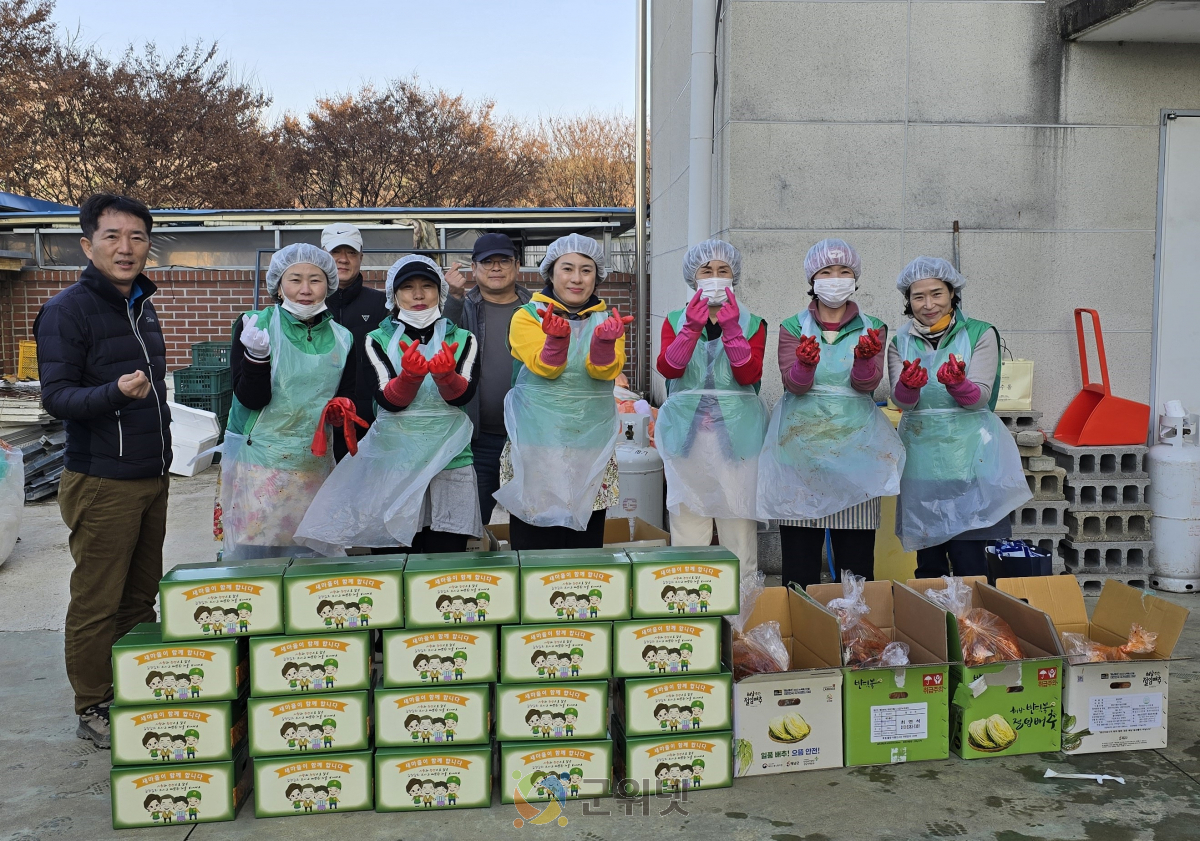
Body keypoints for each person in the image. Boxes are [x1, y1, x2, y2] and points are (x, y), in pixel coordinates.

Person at [34, 192, 171, 749]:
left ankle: (132, 687)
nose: (125, 247)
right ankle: (92, 702)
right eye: (113, 237)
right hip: (102, 480)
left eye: (137, 237)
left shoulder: (141, 304)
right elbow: (57, 398)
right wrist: (114, 393)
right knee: (98, 599)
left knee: (140, 597)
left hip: (150, 475)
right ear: (88, 245)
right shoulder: (68, 310)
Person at [295, 255, 483, 554]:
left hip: (450, 460)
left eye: (427, 286)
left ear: (440, 292)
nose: (418, 295)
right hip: (392, 461)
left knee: (445, 556)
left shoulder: (462, 338)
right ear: (393, 295)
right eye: (407, 287)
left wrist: (447, 377)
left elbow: (462, 396)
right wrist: (409, 378)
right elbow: (387, 400)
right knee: (393, 557)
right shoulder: (376, 339)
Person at [757, 239, 904, 588]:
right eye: (826, 272)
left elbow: (865, 385)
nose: (835, 278)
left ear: (855, 278)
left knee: (856, 568)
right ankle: (803, 635)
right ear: (813, 278)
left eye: (844, 271)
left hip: (855, 453)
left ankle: (854, 637)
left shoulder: (874, 327)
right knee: (799, 565)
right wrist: (804, 366)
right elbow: (794, 386)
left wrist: (865, 360)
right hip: (801, 454)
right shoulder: (792, 326)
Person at [888, 256, 1030, 576]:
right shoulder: (901, 340)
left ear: (952, 292)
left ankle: (974, 625)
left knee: (973, 560)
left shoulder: (980, 333)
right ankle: (932, 623)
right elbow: (902, 402)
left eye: (937, 293)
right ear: (908, 301)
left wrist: (958, 384)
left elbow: (978, 397)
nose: (928, 304)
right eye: (918, 296)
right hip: (921, 458)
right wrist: (909, 388)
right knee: (930, 564)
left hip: (971, 459)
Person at [493, 233, 631, 549]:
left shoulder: (609, 320)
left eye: (586, 269)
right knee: (534, 546)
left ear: (597, 276)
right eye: (567, 268)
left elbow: (605, 372)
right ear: (551, 272)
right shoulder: (527, 316)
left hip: (590, 447)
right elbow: (546, 368)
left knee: (584, 545)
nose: (576, 278)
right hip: (536, 446)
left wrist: (603, 344)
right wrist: (555, 341)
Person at [220, 243, 353, 560]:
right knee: (255, 557)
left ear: (329, 285)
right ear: (278, 285)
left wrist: (342, 412)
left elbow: (346, 398)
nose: (305, 289)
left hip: (313, 462)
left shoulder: (342, 337)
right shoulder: (255, 325)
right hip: (258, 463)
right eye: (295, 279)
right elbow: (251, 398)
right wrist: (256, 357)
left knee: (309, 556)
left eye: (315, 279)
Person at [655, 239, 768, 577]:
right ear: (694, 277)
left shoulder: (753, 323)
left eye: (724, 270)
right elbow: (669, 368)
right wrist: (690, 327)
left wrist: (732, 329)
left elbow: (749, 373)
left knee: (739, 536)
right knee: (689, 531)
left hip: (737, 443)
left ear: (734, 277)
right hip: (686, 442)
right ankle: (690, 617)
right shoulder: (674, 320)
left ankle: (741, 624)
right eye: (707, 270)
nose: (715, 277)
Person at [444, 233, 533, 525]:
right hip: (477, 440)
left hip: (529, 439)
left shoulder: (537, 308)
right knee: (471, 525)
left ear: (517, 267)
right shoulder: (464, 305)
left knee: (531, 521)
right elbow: (442, 343)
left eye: (503, 261)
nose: (496, 268)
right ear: (473, 268)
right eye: (487, 262)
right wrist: (453, 298)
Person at [322, 223, 387, 460]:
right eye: (335, 252)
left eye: (350, 253)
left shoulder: (380, 304)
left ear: (361, 257)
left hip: (366, 424)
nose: (343, 259)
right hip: (316, 423)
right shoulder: (308, 305)